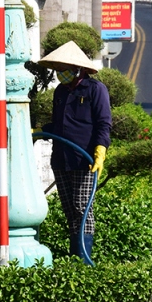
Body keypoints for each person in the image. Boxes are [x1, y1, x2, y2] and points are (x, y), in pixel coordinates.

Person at [39, 41, 112, 261]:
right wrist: (40, 131)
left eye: (64, 69)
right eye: (58, 70)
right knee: (69, 209)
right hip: (61, 158)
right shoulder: (60, 92)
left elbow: (104, 123)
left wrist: (100, 150)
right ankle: (75, 257)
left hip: (84, 159)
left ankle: (83, 257)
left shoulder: (95, 90)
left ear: (77, 68)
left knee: (82, 208)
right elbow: (58, 125)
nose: (60, 74)